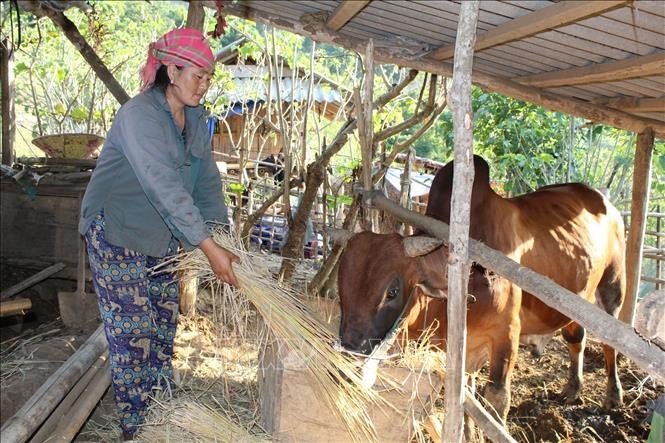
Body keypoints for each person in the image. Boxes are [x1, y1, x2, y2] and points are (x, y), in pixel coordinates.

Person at [78, 28, 239, 440]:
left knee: (163, 330)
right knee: (133, 337)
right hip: (117, 233)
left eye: (208, 78)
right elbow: (163, 186)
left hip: (162, 240)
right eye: (196, 76)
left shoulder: (196, 120)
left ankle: (161, 418)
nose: (203, 85)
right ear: (171, 69)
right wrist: (207, 247)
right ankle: (136, 430)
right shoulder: (139, 115)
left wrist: (226, 240)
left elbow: (205, 185)